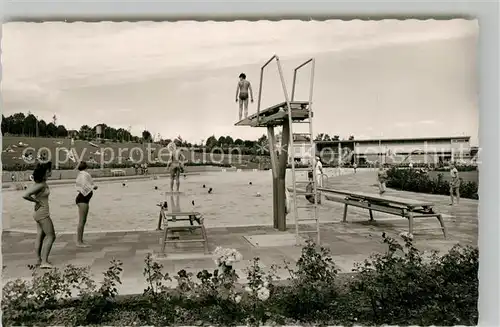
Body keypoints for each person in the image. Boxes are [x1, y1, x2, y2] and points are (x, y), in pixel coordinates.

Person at [22, 161, 55, 269]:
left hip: (39, 213)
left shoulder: (42, 183)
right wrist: (36, 202)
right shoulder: (40, 184)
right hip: (42, 213)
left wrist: (37, 201)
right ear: (46, 172)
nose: (51, 171)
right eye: (50, 170)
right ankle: (44, 262)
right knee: (51, 236)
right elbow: (25, 195)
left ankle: (39, 260)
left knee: (40, 236)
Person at [75, 161, 98, 247]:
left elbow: (80, 185)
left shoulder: (80, 174)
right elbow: (85, 185)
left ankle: (80, 240)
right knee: (82, 221)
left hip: (82, 199)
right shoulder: (85, 174)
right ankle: (79, 242)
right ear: (86, 167)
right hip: (82, 200)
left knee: (83, 221)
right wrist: (93, 187)